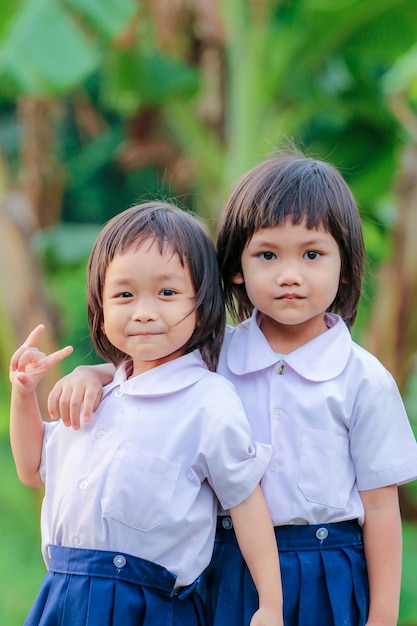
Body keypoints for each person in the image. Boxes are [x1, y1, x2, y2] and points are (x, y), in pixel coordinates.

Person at [46, 155, 417, 626]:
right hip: (223, 563)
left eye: (312, 254)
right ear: (236, 267)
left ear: (344, 265)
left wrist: (383, 617)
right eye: (267, 255)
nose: (289, 274)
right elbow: (147, 372)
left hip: (326, 569)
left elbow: (382, 509)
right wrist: (92, 374)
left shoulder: (363, 379)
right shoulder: (213, 358)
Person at [9, 202, 284, 626]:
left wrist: (270, 604)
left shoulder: (208, 401)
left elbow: (246, 502)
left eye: (168, 293)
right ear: (100, 309)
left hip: (152, 607)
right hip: (62, 595)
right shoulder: (92, 398)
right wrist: (23, 395)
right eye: (123, 295)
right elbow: (33, 469)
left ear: (202, 302)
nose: (143, 311)